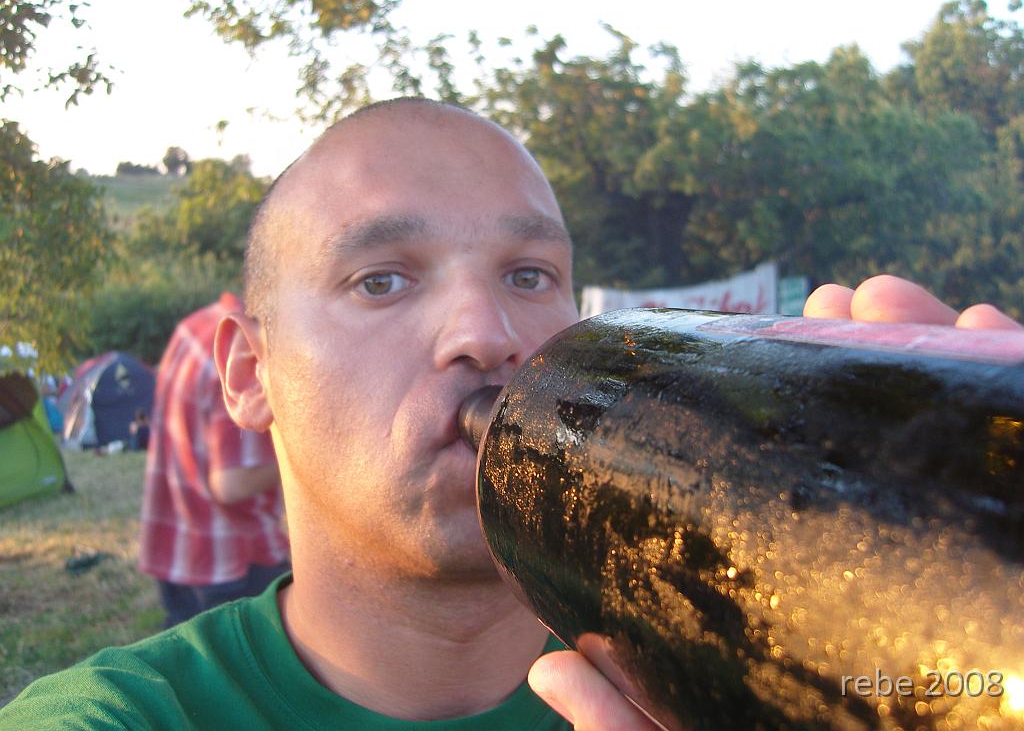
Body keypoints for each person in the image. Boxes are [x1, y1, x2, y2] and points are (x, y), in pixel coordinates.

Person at [0, 100, 1019, 730]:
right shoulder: (127, 717)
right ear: (248, 371)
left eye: (529, 274)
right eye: (382, 279)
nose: (487, 335)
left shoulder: (757, 675)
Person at [138, 292, 290, 628]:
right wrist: (308, 455)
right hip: (232, 559)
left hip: (177, 545)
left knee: (188, 653)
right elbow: (233, 483)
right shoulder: (244, 348)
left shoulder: (195, 326)